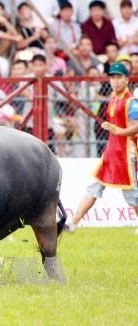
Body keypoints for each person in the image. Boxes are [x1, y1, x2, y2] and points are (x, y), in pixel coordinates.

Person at [65, 62, 138, 233]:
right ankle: (73, 222)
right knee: (95, 187)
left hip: (125, 154)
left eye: (119, 77)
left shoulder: (131, 102)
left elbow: (136, 125)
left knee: (131, 194)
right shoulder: (113, 98)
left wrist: (118, 130)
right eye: (112, 77)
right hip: (112, 152)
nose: (115, 81)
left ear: (127, 79)